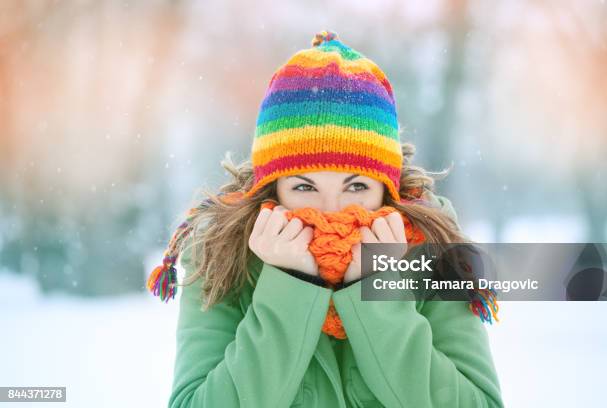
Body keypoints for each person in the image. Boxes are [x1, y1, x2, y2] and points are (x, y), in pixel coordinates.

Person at [154, 30, 504, 407]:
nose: (332, 210)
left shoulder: (433, 252)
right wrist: (289, 285)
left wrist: (378, 291)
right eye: (304, 188)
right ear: (272, 188)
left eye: (356, 188)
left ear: (385, 189)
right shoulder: (220, 255)